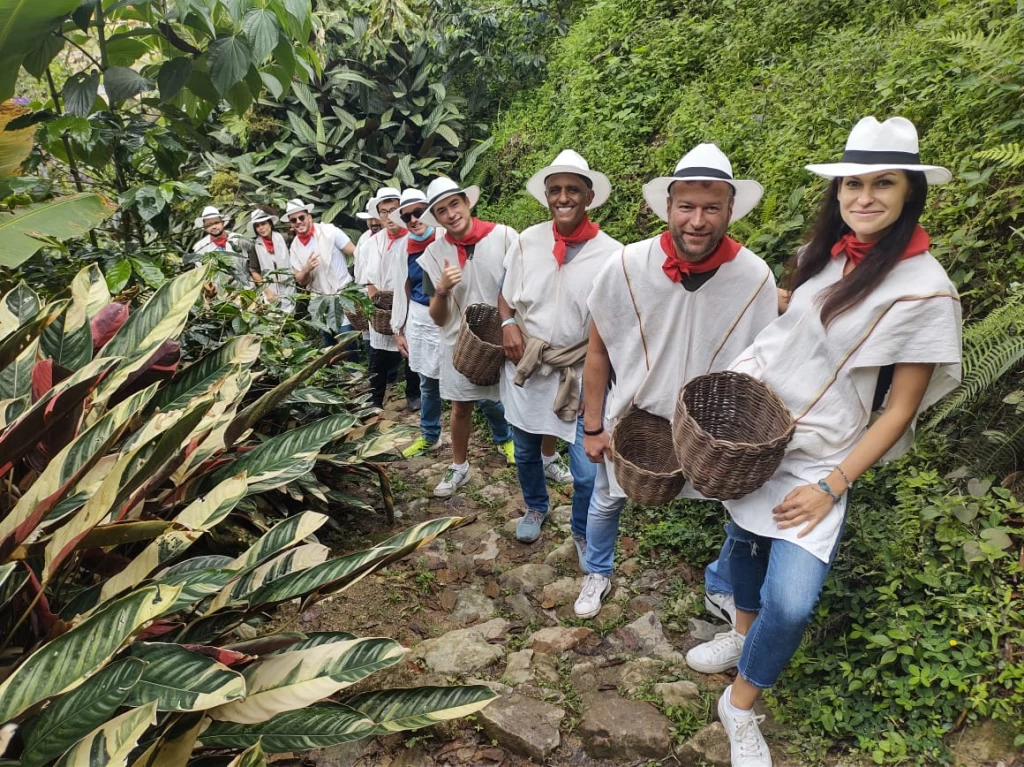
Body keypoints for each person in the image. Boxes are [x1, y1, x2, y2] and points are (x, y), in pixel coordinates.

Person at [684, 117, 962, 766]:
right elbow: (801, 333)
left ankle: (740, 705)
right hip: (757, 436)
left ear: (910, 191)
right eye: (851, 183)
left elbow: (897, 411)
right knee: (745, 543)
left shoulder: (925, 290)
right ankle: (740, 633)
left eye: (882, 184)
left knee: (794, 598)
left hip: (818, 461)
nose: (863, 197)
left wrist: (830, 486)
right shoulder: (830, 254)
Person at [575, 144, 779, 620]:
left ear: (731, 209)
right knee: (606, 498)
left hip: (712, 431)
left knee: (742, 512)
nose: (698, 220)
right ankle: (598, 571)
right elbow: (598, 349)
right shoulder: (626, 266)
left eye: (712, 208)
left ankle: (721, 585)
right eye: (686, 206)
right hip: (633, 414)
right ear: (667, 207)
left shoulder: (753, 278)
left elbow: (764, 365)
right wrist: (591, 425)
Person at [498, 150, 622, 554]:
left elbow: (620, 320)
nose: (562, 198)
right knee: (526, 449)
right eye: (555, 190)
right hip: (528, 364)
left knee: (586, 470)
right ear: (547, 196)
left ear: (589, 196)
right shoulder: (527, 240)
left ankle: (582, 528)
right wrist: (507, 325)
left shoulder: (612, 254)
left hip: (581, 367)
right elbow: (505, 298)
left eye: (572, 190)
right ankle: (535, 506)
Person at [417, 177, 517, 498]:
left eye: (454, 204)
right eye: (442, 210)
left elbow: (523, 286)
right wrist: (443, 289)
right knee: (461, 407)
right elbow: (438, 316)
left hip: (506, 336)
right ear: (437, 216)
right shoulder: (434, 253)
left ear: (467, 202)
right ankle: (459, 465)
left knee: (516, 401)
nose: (451, 214)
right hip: (460, 344)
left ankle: (533, 454)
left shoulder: (504, 237)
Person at [387, 188, 446, 456]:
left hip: (452, 317)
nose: (413, 219)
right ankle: (430, 435)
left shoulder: (446, 237)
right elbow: (403, 289)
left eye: (419, 212)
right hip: (421, 318)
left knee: (475, 381)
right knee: (427, 382)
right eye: (407, 215)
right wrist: (398, 328)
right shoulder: (404, 249)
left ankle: (503, 436)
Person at [364, 188, 421, 411]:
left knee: (411, 354)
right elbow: (369, 278)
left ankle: (414, 395)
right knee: (378, 356)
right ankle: (374, 399)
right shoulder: (372, 243)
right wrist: (376, 306)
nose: (389, 216)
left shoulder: (413, 238)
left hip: (410, 303)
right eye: (383, 211)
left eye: (393, 210)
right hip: (381, 308)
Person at [286, 198, 356, 346]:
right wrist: (307, 269)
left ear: (309, 217)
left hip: (341, 293)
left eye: (301, 217)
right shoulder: (294, 247)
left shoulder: (329, 232)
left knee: (346, 340)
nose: (298, 221)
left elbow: (354, 251)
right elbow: (300, 280)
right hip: (319, 300)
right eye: (294, 220)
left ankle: (353, 370)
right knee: (329, 343)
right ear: (291, 224)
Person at [192, 205, 252, 293]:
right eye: (209, 225)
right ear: (204, 227)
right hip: (217, 294)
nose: (213, 227)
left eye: (216, 223)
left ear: (222, 223)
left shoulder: (239, 240)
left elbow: (253, 265)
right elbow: (200, 274)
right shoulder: (200, 247)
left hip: (245, 290)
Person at [247, 206, 294, 312]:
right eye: (257, 226)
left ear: (270, 224)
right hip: (270, 291)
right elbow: (254, 271)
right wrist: (267, 292)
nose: (261, 228)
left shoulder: (284, 238)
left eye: (263, 223)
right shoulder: (255, 246)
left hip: (289, 288)